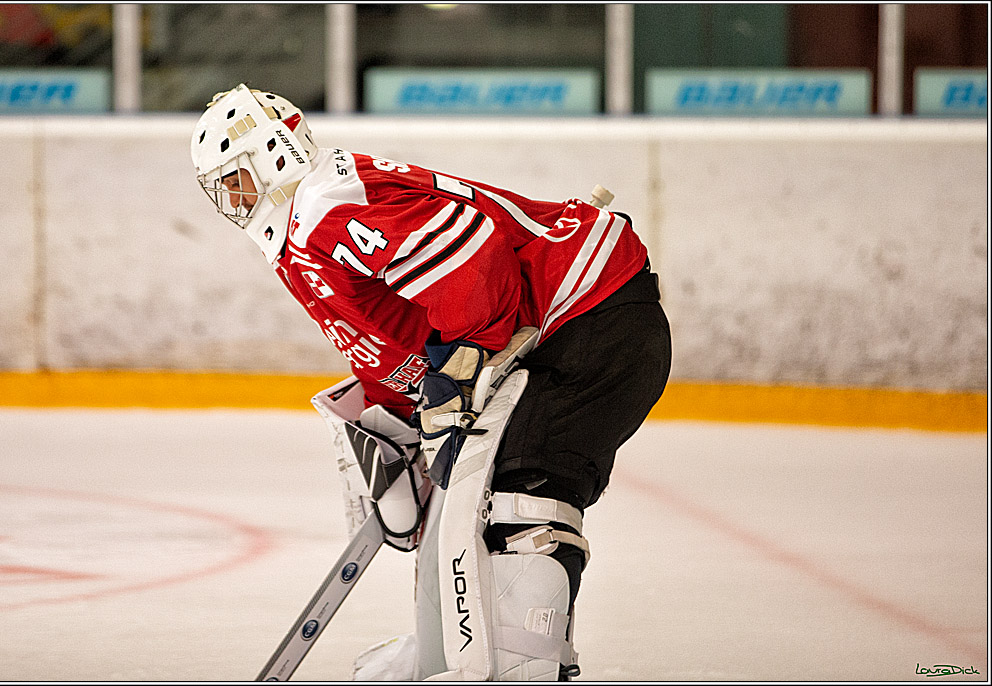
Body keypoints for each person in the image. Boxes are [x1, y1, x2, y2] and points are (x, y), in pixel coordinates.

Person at [191, 84, 671, 681]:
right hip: (554, 328)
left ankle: (526, 664)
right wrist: (399, 422)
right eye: (220, 191)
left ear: (275, 154)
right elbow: (389, 335)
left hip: (589, 318)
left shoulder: (324, 206)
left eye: (235, 179)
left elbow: (471, 260)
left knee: (520, 498)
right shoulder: (302, 230)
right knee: (454, 503)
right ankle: (445, 650)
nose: (231, 201)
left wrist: (458, 366)